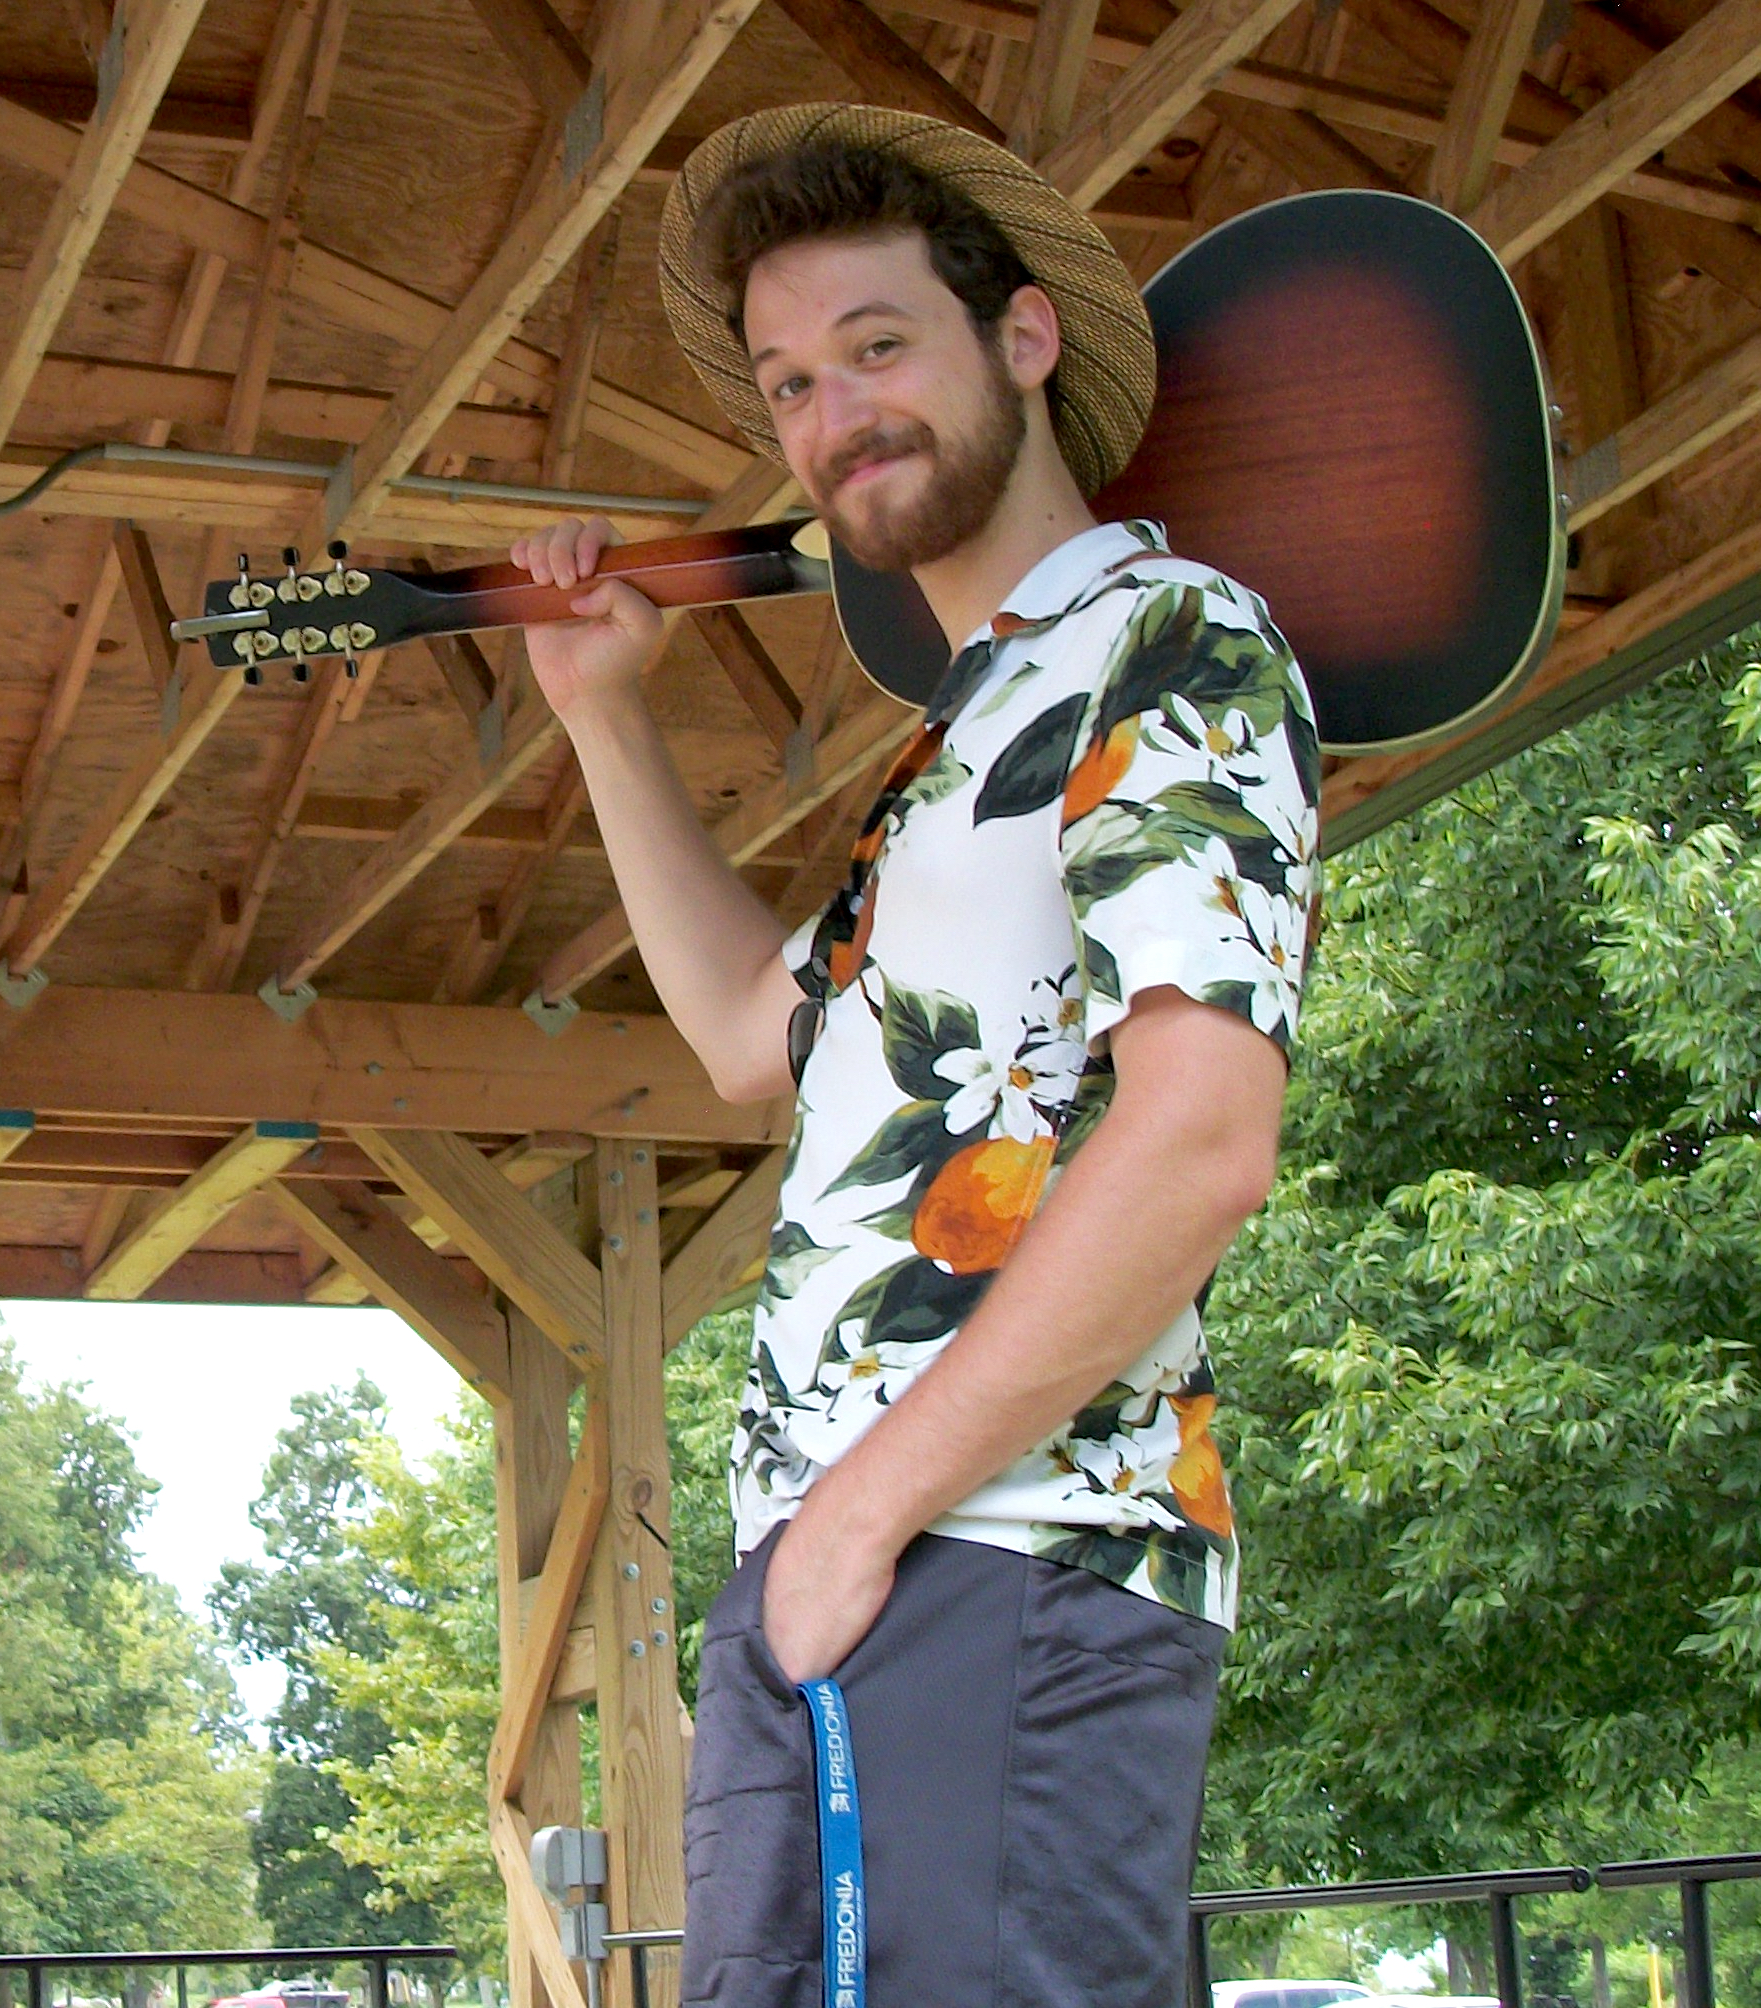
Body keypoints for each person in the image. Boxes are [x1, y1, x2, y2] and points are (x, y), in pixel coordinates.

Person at [511, 103, 1322, 2008]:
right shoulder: (961, 746)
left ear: (1020, 343)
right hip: (841, 1566)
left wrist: (866, 1512)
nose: (832, 414)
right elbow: (741, 1041)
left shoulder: (1165, 637)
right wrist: (599, 713)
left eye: (878, 347)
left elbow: (1202, 1139)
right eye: (792, 382)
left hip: (1000, 1548)